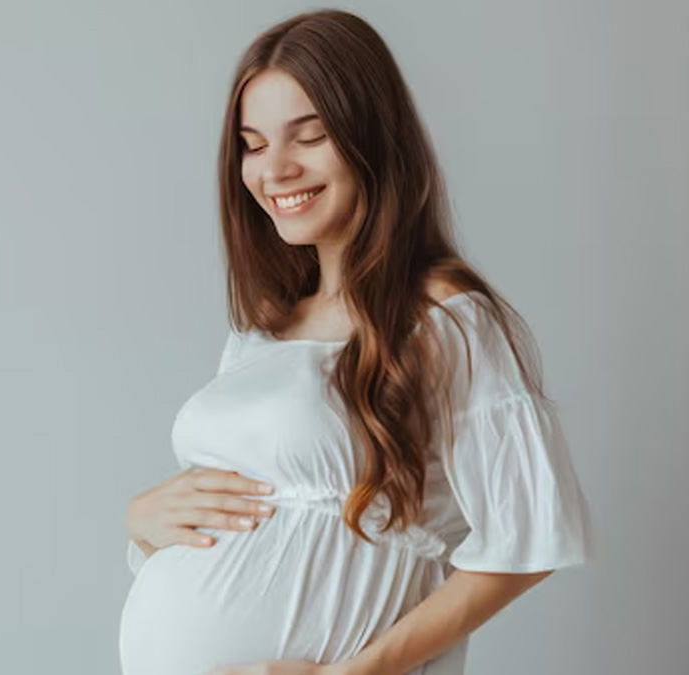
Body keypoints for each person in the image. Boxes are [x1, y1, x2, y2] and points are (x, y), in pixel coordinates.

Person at [118, 9, 593, 675]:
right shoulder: (260, 329)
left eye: (309, 137)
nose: (274, 170)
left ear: (372, 137)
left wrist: (357, 672)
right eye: (253, 144)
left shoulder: (445, 317)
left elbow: (529, 543)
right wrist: (143, 524)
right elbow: (250, 526)